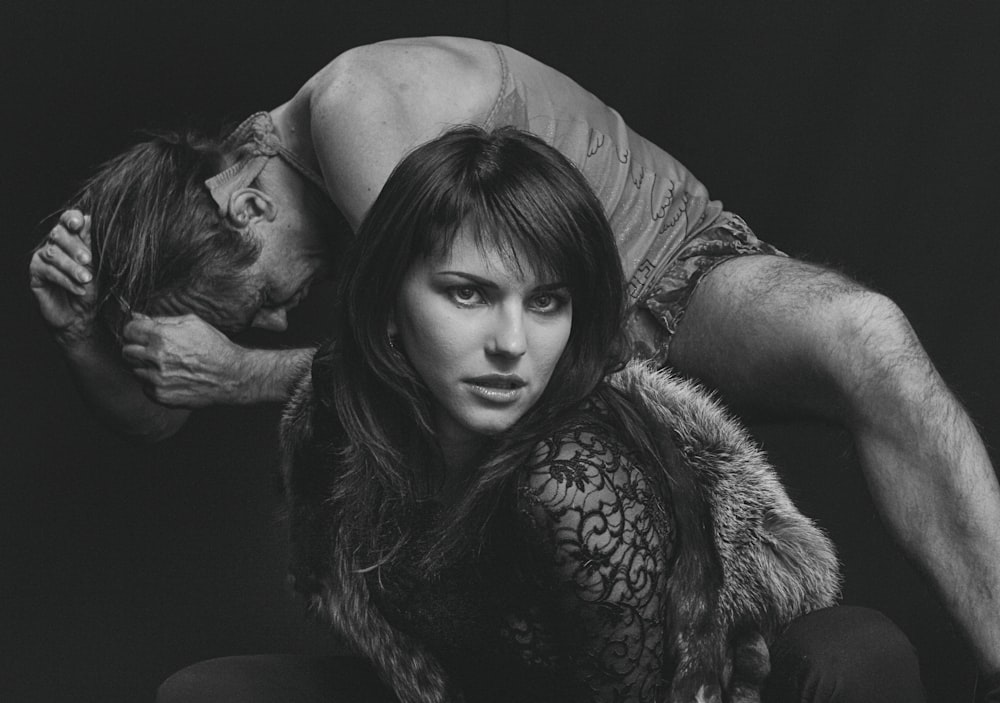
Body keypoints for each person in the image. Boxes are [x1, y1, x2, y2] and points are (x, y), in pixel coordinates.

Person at [28, 37, 1000, 689]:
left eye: (262, 303)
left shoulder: (358, 114)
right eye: (266, 318)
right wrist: (84, 335)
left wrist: (242, 369)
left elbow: (453, 352)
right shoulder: (281, 197)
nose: (281, 317)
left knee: (864, 335)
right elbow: (164, 411)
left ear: (243, 207)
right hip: (565, 368)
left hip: (665, 271)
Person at [159, 125, 920, 703]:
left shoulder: (576, 482)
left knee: (855, 654)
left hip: (688, 688)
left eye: (546, 301)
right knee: (202, 691)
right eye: (468, 293)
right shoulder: (339, 415)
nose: (512, 345)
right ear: (389, 306)